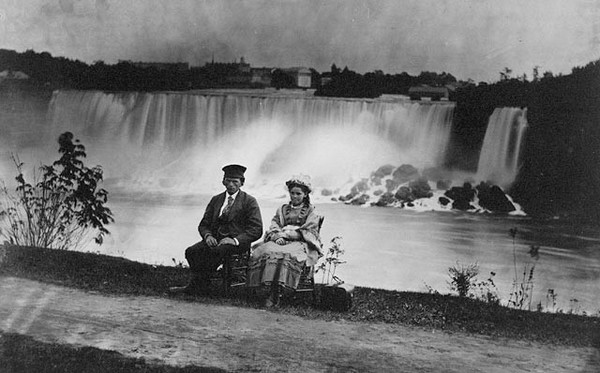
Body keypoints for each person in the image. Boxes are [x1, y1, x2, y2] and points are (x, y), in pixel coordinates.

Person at [170, 164, 263, 295]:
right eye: (228, 181)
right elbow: (203, 224)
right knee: (191, 251)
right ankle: (202, 284)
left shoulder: (249, 201)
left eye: (235, 182)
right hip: (215, 239)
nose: (231, 185)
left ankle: (196, 286)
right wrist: (208, 236)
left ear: (242, 183)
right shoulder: (216, 200)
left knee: (216, 252)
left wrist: (235, 240)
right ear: (223, 181)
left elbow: (256, 229)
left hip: (237, 243)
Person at [246, 175, 323, 307]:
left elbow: (309, 230)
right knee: (266, 250)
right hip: (280, 239)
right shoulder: (282, 209)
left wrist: (288, 235)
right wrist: (277, 236)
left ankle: (276, 293)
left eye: (298, 194)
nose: (294, 196)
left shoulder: (311, 211)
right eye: (292, 193)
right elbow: (275, 224)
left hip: (299, 241)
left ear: (305, 194)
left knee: (287, 255)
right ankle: (264, 288)